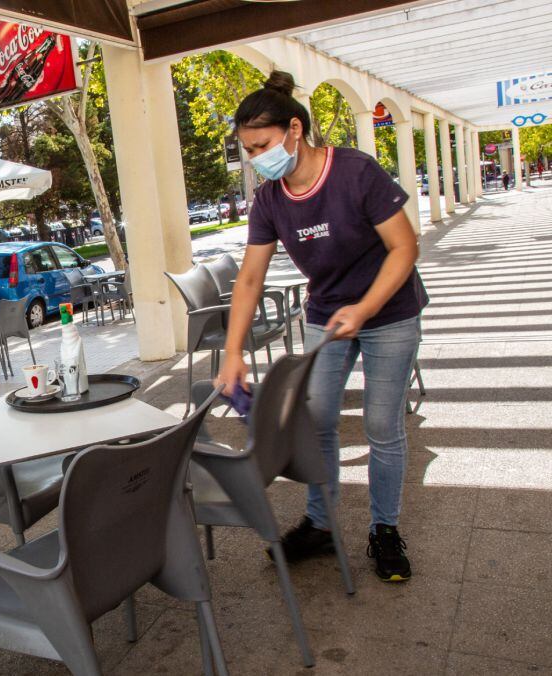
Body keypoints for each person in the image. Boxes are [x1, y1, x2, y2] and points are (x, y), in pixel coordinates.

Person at [218, 71, 427, 583]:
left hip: (391, 311)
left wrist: (366, 308)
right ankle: (321, 524)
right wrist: (231, 351)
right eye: (247, 149)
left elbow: (405, 248)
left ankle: (384, 530)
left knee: (382, 426)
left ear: (295, 130)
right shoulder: (269, 199)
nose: (255, 158)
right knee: (317, 421)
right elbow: (249, 278)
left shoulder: (355, 172)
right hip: (326, 314)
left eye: (261, 145)